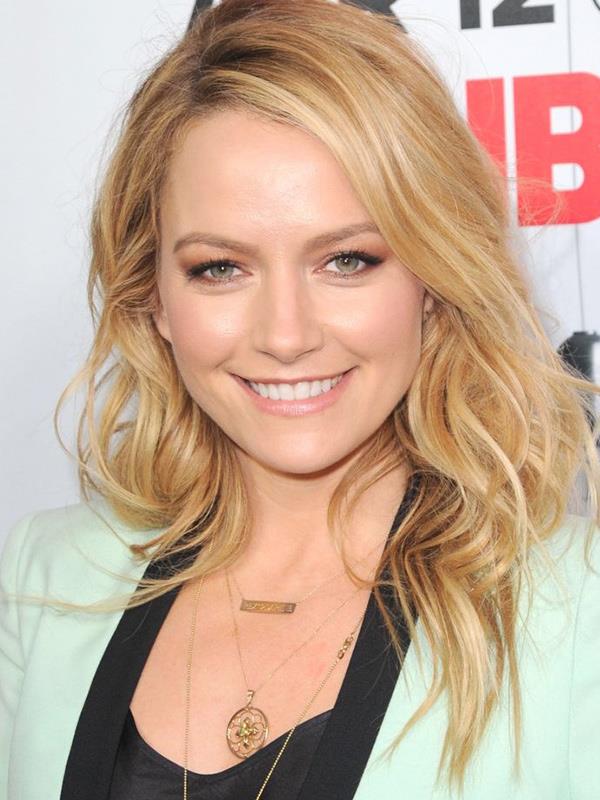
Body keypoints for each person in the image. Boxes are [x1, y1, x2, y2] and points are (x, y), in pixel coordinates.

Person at [1, 1, 599, 798]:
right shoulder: (44, 579)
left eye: (347, 260)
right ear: (153, 297)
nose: (285, 335)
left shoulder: (576, 611)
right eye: (220, 268)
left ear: (432, 280)